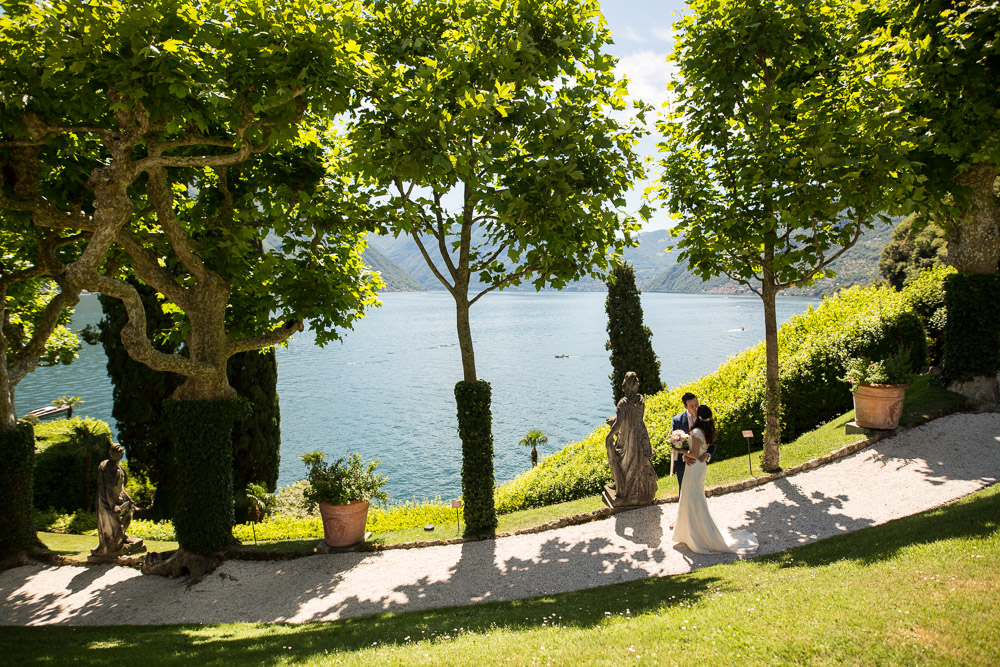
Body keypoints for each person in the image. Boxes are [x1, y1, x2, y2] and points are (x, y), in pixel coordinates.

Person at [672, 405, 758, 554]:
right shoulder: (708, 430)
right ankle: (690, 532)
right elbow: (702, 452)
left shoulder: (696, 432)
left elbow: (694, 453)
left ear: (698, 416)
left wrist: (680, 450)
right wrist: (688, 451)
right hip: (700, 467)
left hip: (694, 468)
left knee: (693, 498)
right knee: (694, 497)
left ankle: (698, 535)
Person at [603, 371, 659, 506]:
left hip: (627, 438)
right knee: (638, 462)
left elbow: (619, 424)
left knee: (623, 462)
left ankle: (623, 489)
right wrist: (616, 420)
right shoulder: (640, 400)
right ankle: (632, 490)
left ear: (625, 384)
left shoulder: (623, 403)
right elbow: (635, 418)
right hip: (639, 435)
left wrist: (609, 435)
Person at [671, 392, 715, 491]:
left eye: (697, 404)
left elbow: (713, 442)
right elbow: (675, 441)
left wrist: (707, 454)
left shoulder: (705, 416)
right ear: (685, 407)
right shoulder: (677, 420)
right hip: (683, 463)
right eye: (691, 406)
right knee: (684, 491)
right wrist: (684, 456)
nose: (696, 408)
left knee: (697, 490)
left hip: (699, 461)